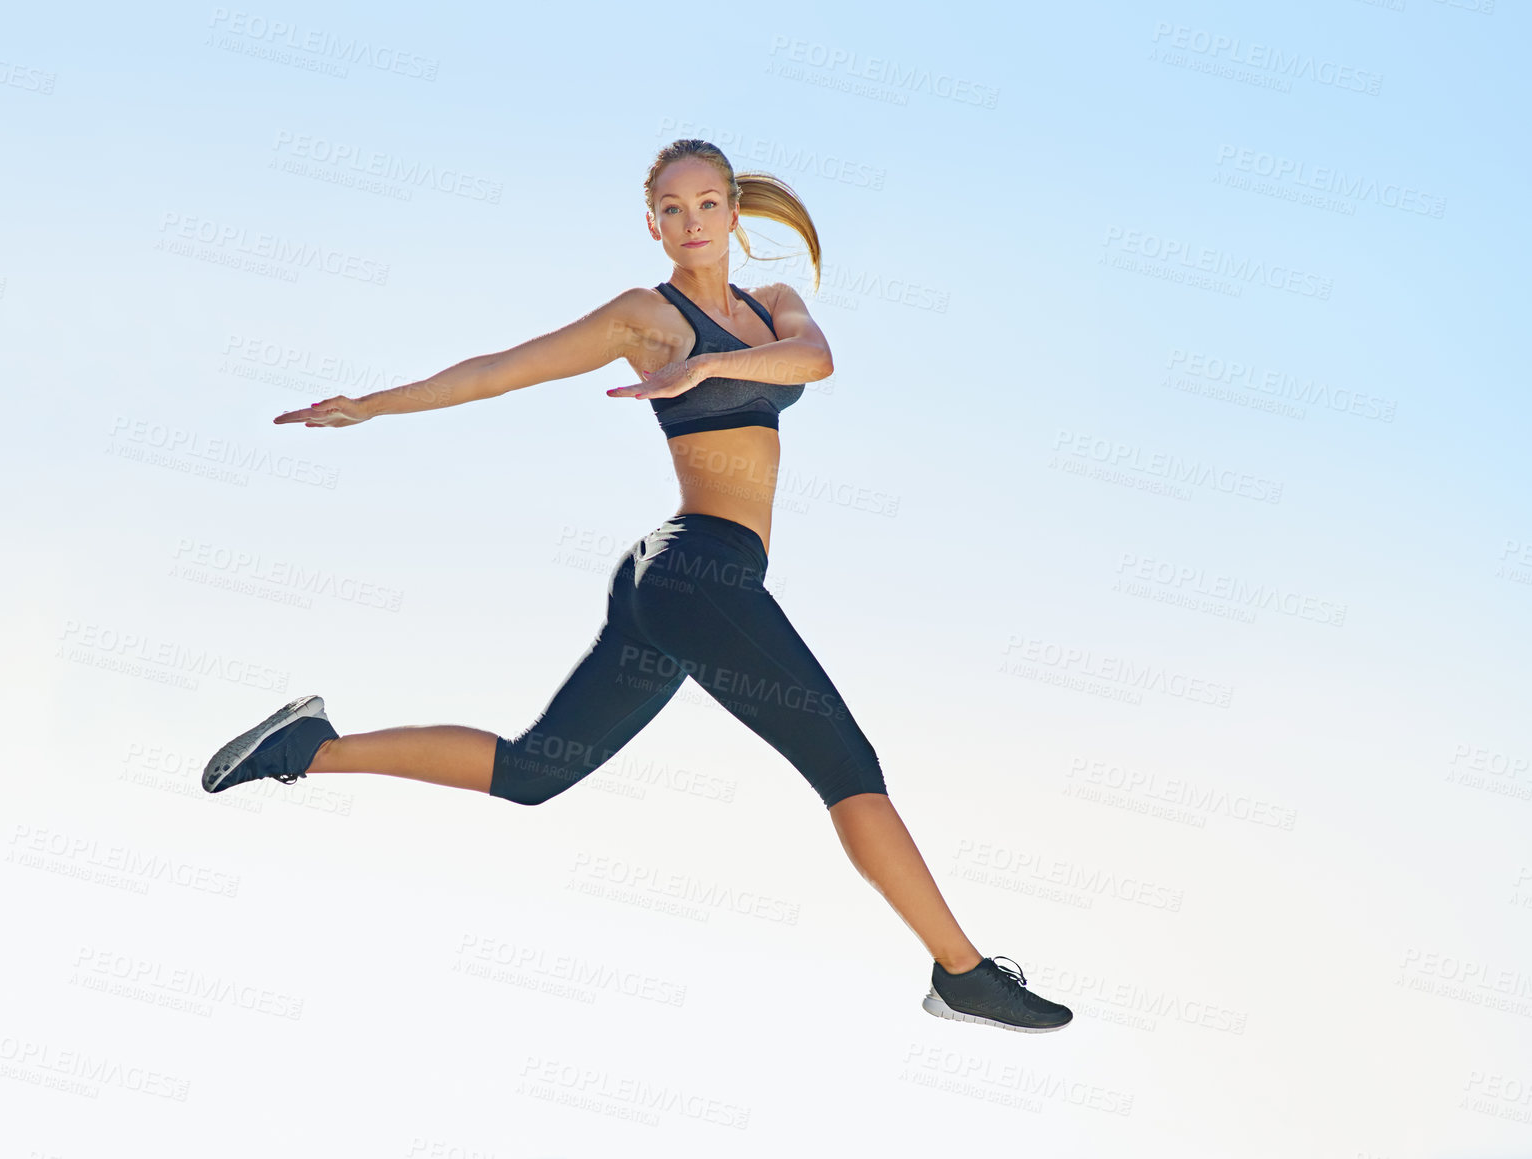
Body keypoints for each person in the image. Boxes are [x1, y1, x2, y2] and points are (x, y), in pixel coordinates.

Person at [200, 139, 1072, 1033]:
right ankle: (961, 972)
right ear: (650, 223)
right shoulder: (640, 317)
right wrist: (374, 403)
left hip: (684, 574)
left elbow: (815, 362)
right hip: (697, 571)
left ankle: (309, 746)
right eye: (669, 209)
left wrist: (706, 368)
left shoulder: (772, 308)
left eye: (705, 205)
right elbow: (501, 369)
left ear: (734, 213)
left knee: (534, 771)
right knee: (849, 770)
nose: (689, 223)